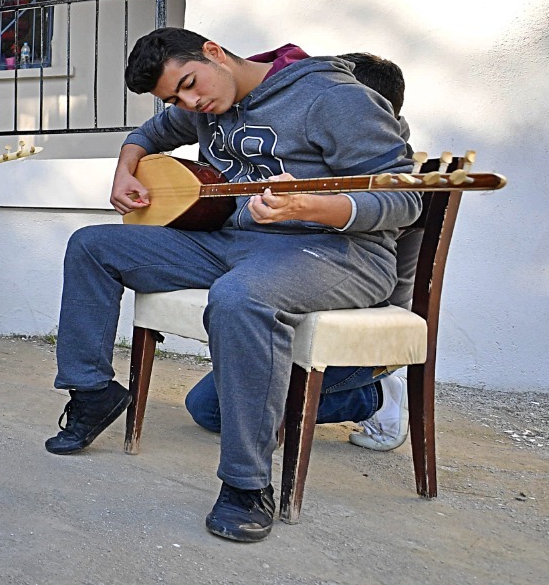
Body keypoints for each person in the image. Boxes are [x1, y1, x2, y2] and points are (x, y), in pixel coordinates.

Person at [44, 29, 418, 543]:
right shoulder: (204, 103)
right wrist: (124, 171)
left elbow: (405, 199)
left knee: (239, 297)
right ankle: (92, 393)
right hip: (235, 241)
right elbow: (148, 134)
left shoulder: (334, 97)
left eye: (189, 85)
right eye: (176, 99)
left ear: (214, 52)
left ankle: (246, 484)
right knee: (93, 245)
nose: (190, 103)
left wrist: (309, 206)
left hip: (337, 251)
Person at [181, 52, 415, 451]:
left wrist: (309, 208)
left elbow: (383, 269)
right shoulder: (313, 153)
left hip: (357, 331)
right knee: (205, 406)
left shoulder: (391, 179)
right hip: (294, 304)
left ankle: (375, 395)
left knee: (228, 406)